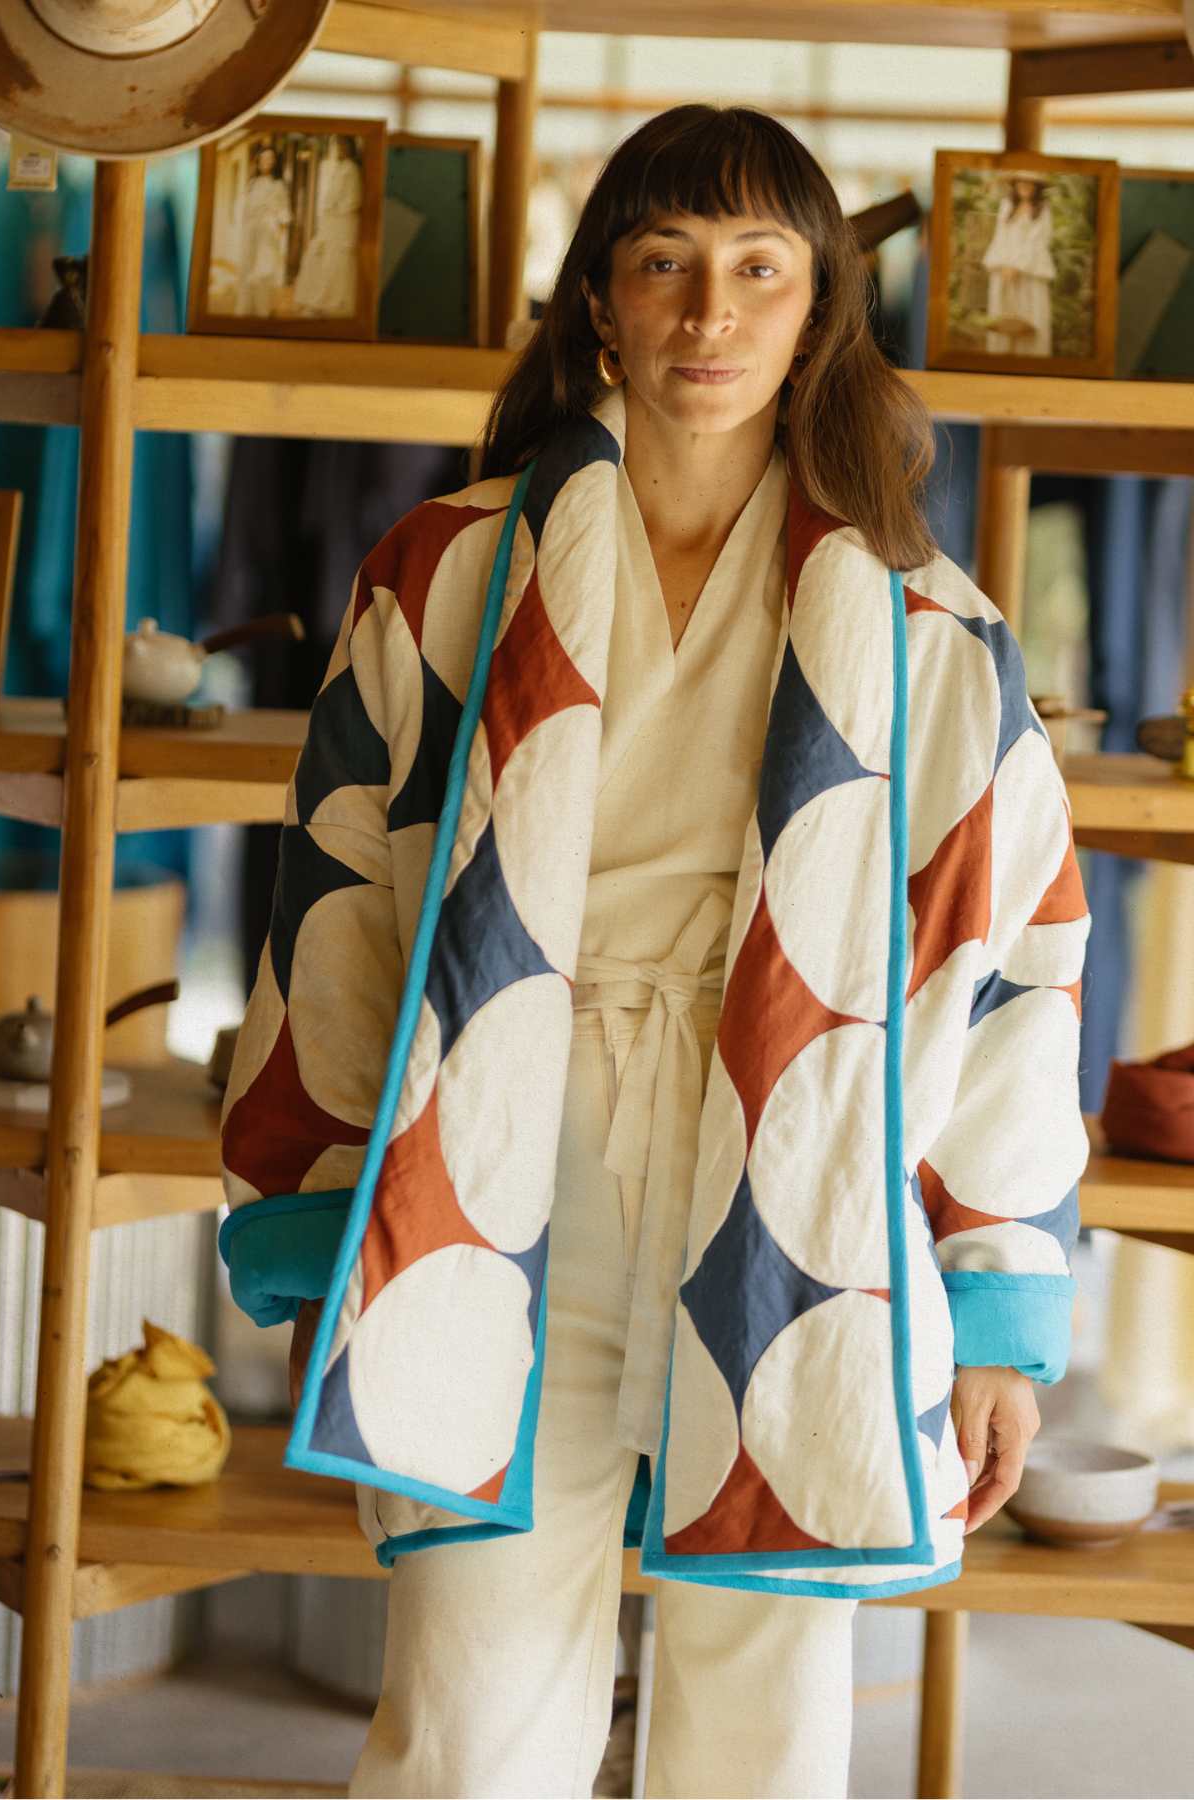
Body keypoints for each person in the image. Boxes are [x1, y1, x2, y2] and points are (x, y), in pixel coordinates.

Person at [218, 105, 1091, 1798]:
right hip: (502, 1149)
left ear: (820, 308)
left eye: (759, 270)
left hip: (807, 1164)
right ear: (599, 306)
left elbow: (1020, 977)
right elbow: (336, 903)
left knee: (763, 1712)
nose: (709, 315)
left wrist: (995, 1306)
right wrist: (322, 1205)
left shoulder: (932, 629)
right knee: (472, 1706)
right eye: (664, 264)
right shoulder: (447, 570)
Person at [981, 174, 1056, 356]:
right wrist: (1004, 264)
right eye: (1021, 182)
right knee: (1003, 315)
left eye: (1030, 182)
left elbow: (1039, 241)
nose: (1025, 186)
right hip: (1004, 268)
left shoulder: (1043, 210)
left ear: (1036, 186)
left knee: (1031, 314)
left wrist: (1018, 265)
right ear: (1015, 184)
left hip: (1031, 270)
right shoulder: (1007, 206)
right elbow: (1001, 236)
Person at [292, 134, 364, 318]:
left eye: (343, 146)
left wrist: (336, 209)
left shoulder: (351, 169)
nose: (339, 150)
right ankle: (316, 299)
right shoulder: (338, 168)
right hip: (331, 222)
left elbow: (354, 199)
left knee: (337, 261)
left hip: (343, 222)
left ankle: (333, 302)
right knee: (320, 258)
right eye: (337, 146)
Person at [234, 140, 291, 317]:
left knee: (263, 273)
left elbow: (285, 212)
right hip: (250, 232)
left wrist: (278, 225)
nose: (267, 162)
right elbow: (243, 208)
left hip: (267, 233)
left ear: (275, 162)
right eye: (263, 158)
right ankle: (244, 309)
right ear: (258, 161)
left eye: (270, 159)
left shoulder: (278, 185)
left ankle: (262, 311)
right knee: (247, 270)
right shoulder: (252, 184)